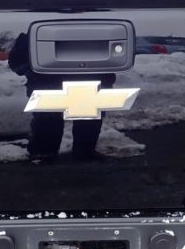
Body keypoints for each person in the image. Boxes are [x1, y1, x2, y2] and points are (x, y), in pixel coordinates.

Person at [8, 33, 114, 162]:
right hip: (55, 84)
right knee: (51, 122)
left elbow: (17, 62)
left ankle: (54, 156)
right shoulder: (38, 32)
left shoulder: (38, 30)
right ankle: (49, 156)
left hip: (58, 84)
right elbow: (17, 62)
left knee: (82, 121)